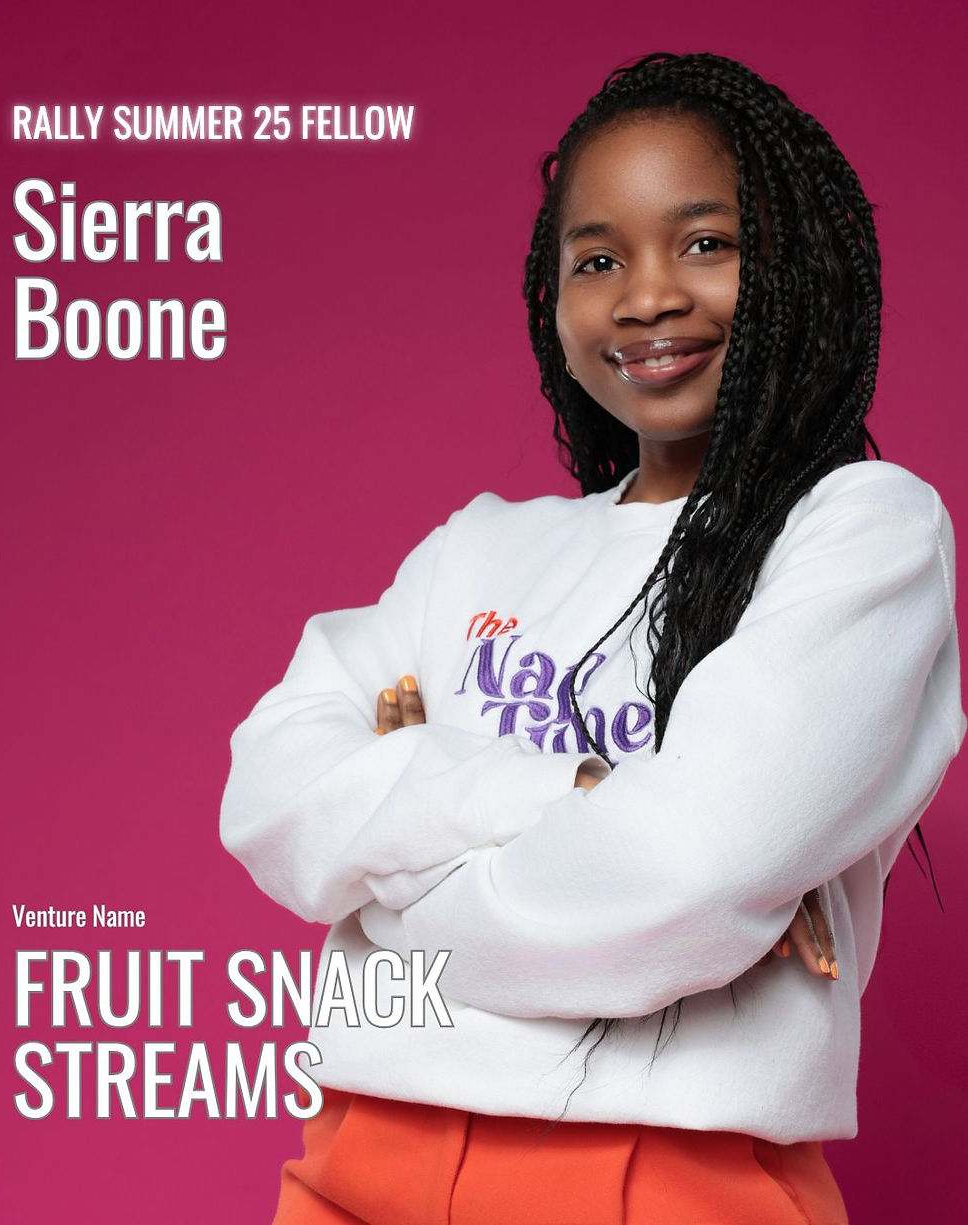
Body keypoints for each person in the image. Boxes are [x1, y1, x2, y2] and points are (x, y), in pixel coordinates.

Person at [220, 52, 964, 1225]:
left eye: (704, 242)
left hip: (660, 1177)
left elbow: (684, 874)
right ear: (549, 294)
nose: (646, 296)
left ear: (798, 265)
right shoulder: (475, 547)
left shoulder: (858, 530)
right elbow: (269, 794)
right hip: (356, 1153)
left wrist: (382, 893)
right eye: (597, 259)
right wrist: (575, 790)